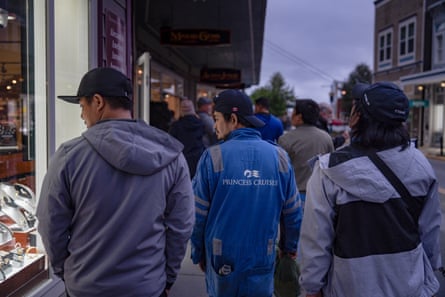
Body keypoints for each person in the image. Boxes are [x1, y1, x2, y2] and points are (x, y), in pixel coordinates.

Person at [36, 67, 195, 297]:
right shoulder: (171, 155)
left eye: (82, 106)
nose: (82, 115)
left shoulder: (69, 156)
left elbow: (50, 224)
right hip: (147, 287)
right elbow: (181, 225)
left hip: (86, 287)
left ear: (98, 102)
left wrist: (67, 272)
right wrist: (168, 276)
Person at [299, 82, 442, 297]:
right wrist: (428, 272)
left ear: (358, 118)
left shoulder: (330, 168)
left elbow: (316, 238)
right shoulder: (420, 164)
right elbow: (429, 232)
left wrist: (311, 286)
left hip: (349, 284)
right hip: (408, 283)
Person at [191, 89, 302, 297]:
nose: (214, 126)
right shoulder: (279, 157)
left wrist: (198, 252)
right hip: (263, 255)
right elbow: (293, 212)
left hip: (220, 257)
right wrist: (289, 248)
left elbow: (197, 214)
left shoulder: (212, 157)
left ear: (232, 119)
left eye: (216, 119)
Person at [278, 99, 334, 210]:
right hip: (320, 197)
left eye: (293, 112)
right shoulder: (326, 138)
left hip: (294, 197)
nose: (291, 116)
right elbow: (331, 168)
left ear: (299, 117)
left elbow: (280, 171)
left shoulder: (286, 139)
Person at [169, 99, 206, 177]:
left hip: (182, 160)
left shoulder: (176, 126)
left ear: (182, 111)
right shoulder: (201, 124)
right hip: (199, 158)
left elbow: (171, 144)